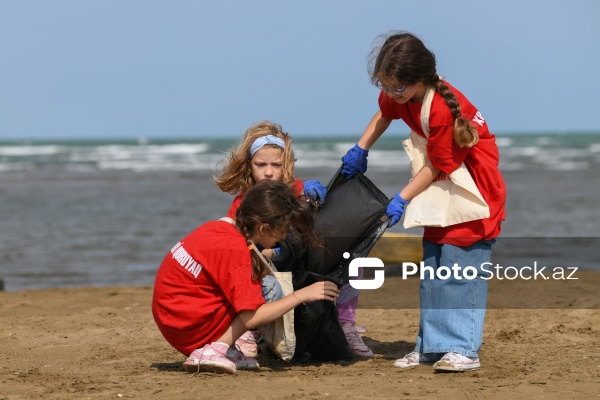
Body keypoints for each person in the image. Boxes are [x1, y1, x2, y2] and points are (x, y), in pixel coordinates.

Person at [341, 31, 506, 372]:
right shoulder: (400, 95)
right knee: (433, 265)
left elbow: (437, 165)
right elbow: (385, 114)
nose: (390, 94)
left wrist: (401, 198)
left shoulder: (444, 107)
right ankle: (431, 347)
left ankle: (464, 349)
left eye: (397, 88)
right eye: (384, 86)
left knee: (460, 268)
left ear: (419, 79)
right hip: (444, 186)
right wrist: (361, 148)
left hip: (472, 188)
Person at [214, 120, 374, 358]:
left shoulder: (299, 190)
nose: (268, 171)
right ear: (249, 166)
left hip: (296, 263)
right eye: (261, 164)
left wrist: (312, 196)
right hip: (264, 267)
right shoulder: (245, 202)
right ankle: (251, 329)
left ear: (286, 164)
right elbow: (235, 247)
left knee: (352, 262)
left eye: (276, 165)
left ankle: (345, 324)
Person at [152, 181, 340, 374]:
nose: (283, 237)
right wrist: (302, 295)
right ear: (263, 228)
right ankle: (215, 349)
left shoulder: (220, 228)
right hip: (186, 328)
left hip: (172, 317)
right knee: (267, 290)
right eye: (282, 230)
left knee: (254, 283)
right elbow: (251, 317)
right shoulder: (235, 249)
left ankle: (226, 348)